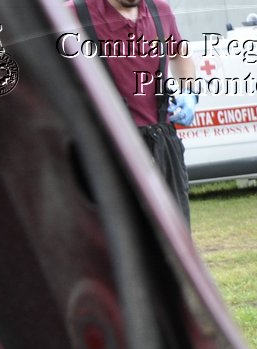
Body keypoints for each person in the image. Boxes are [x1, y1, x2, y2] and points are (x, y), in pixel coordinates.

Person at [67, 0, 198, 223]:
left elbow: (180, 53)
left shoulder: (160, 10)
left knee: (175, 233)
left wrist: (189, 92)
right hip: (108, 146)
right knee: (122, 238)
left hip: (163, 143)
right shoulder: (73, 14)